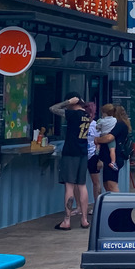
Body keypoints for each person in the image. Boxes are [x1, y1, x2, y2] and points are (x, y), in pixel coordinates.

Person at [49, 93, 91, 230]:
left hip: (71, 153)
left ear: (74, 102)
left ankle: (67, 220)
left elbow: (53, 109)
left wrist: (66, 101)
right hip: (83, 152)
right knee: (82, 185)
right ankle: (84, 219)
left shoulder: (72, 114)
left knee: (69, 186)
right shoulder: (87, 115)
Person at [94, 104, 131, 192]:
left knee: (112, 184)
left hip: (114, 157)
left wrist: (97, 139)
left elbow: (109, 138)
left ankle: (119, 204)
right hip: (107, 157)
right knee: (106, 184)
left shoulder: (119, 125)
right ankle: (111, 203)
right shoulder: (118, 124)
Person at [84, 102, 102, 215]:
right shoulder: (80, 124)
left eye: (90, 113)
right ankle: (80, 207)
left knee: (96, 182)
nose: (88, 116)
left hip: (93, 155)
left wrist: (99, 157)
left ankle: (97, 205)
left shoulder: (96, 126)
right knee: (78, 182)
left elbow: (99, 142)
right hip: (81, 155)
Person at [96, 105, 118, 171]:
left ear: (104, 113)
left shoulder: (101, 121)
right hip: (111, 136)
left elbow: (97, 127)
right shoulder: (115, 120)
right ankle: (113, 162)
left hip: (103, 136)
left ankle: (97, 152)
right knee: (112, 150)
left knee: (98, 142)